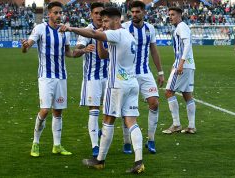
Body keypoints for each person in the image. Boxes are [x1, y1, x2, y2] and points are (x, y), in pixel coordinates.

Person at [60, 7, 144, 174]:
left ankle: (100, 160)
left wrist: (70, 28)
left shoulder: (117, 33)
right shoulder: (128, 35)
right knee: (131, 122)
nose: (104, 24)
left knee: (108, 120)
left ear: (116, 20)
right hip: (131, 84)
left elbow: (92, 34)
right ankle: (139, 161)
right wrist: (99, 39)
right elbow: (104, 55)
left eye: (106, 21)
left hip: (116, 85)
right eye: (102, 21)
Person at [21, 1, 73, 157]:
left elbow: (68, 53)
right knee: (44, 110)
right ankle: (35, 143)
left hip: (61, 76)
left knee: (58, 111)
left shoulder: (66, 31)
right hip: (46, 77)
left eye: (60, 13)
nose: (58, 16)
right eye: (55, 13)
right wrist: (24, 45)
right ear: (48, 13)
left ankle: (57, 145)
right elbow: (27, 47)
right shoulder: (40, 28)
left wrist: (83, 51)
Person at [121, 0, 164, 154]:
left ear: (144, 12)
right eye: (132, 12)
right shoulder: (124, 27)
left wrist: (160, 72)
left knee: (154, 103)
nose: (134, 14)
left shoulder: (150, 28)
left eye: (137, 12)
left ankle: (151, 140)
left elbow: (153, 50)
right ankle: (126, 141)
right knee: (126, 109)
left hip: (145, 72)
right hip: (128, 73)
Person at [72, 2, 108, 158]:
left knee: (109, 111)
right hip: (92, 77)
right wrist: (83, 49)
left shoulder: (110, 29)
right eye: (96, 13)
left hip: (109, 78)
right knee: (94, 110)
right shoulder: (86, 31)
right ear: (91, 15)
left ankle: (102, 132)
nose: (99, 16)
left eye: (101, 13)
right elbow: (75, 51)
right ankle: (95, 145)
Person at [162, 7, 196, 134]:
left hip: (184, 65)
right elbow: (181, 49)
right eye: (169, 15)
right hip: (188, 65)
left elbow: (187, 45)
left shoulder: (181, 26)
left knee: (169, 92)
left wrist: (180, 64)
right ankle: (191, 126)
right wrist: (175, 63)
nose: (170, 17)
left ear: (180, 15)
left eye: (173, 14)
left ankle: (176, 124)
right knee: (187, 94)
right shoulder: (180, 27)